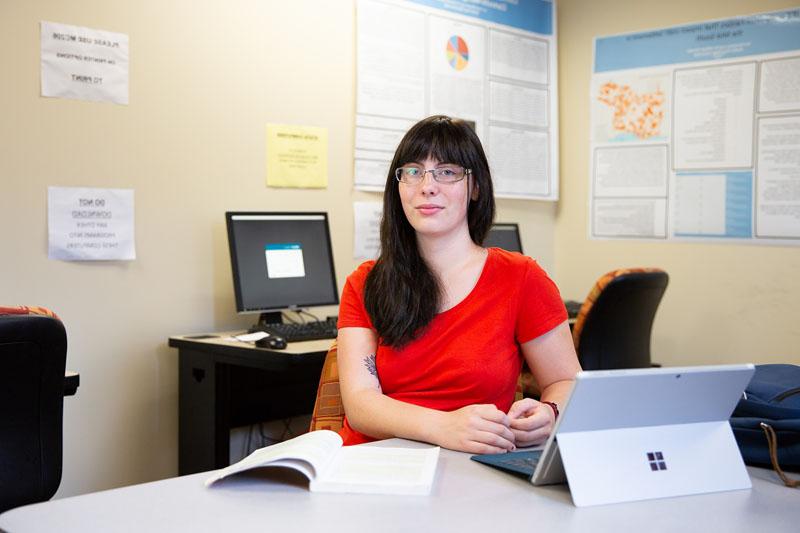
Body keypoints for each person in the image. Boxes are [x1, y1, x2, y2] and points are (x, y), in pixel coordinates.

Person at [337, 115, 581, 454]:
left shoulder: (521, 278)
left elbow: (565, 381)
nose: (427, 185)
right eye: (412, 171)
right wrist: (443, 426)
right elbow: (361, 405)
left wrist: (549, 413)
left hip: (472, 464)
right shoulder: (365, 282)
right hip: (375, 462)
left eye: (447, 172)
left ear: (476, 186)